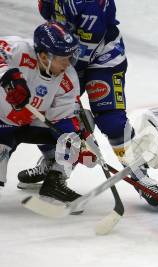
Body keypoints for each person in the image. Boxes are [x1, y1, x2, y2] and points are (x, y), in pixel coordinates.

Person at [18, 0, 158, 211]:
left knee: (111, 119)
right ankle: (53, 162)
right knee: (46, 107)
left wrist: (70, 98)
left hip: (102, 56)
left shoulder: (90, 5)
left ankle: (139, 174)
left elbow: (85, 49)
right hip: (66, 57)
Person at [0, 21, 92, 204]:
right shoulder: (19, 50)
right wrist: (7, 76)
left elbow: (64, 117)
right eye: (63, 58)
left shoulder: (68, 78)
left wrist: (78, 144)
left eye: (69, 56)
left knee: (81, 125)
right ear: (44, 56)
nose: (68, 63)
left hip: (32, 123)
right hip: (1, 122)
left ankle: (54, 177)